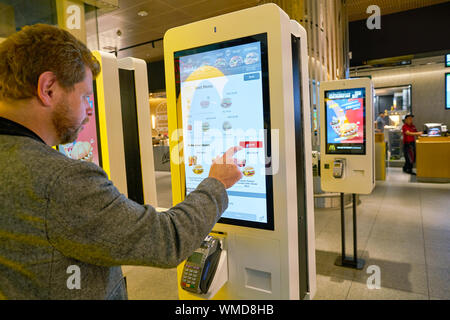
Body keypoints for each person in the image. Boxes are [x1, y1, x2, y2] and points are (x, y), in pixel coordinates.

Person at [0, 24, 243, 299]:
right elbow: (167, 240)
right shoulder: (62, 180)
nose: (88, 110)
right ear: (49, 88)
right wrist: (216, 183)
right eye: (84, 97)